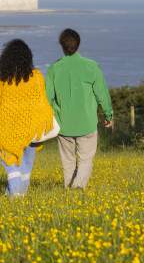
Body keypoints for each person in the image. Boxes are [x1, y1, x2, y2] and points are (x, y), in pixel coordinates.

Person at [0, 39, 56, 197]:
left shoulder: (0, 80)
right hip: (33, 130)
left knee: (12, 168)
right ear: (28, 57)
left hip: (9, 132)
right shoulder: (37, 77)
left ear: (5, 58)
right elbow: (43, 102)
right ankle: (16, 198)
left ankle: (15, 198)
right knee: (26, 167)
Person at [45, 28, 113, 190]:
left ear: (61, 46)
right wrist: (109, 115)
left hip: (63, 125)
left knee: (68, 162)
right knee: (85, 160)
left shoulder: (54, 69)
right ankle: (77, 189)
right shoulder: (91, 67)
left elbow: (47, 98)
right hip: (87, 124)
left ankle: (71, 192)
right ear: (78, 44)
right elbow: (102, 94)